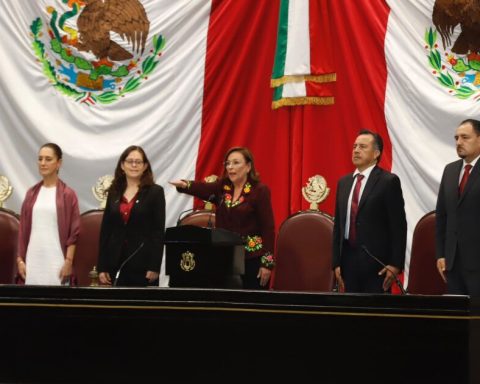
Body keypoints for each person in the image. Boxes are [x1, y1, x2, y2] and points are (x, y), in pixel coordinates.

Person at [170, 147, 275, 289]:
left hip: (251, 258)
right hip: (225, 257)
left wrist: (267, 264)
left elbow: (268, 228)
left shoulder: (260, 191)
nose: (230, 167)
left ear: (248, 166)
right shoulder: (223, 187)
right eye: (228, 163)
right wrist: (185, 185)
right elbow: (203, 188)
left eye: (236, 163)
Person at [332, 130, 407, 293]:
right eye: (355, 146)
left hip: (376, 264)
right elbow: (338, 225)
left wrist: (395, 264)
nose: (356, 150)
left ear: (376, 154)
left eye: (363, 147)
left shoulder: (388, 182)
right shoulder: (343, 183)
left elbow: (398, 226)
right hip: (348, 262)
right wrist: (336, 262)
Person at [97, 145, 165, 287]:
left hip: (143, 265)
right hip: (114, 263)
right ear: (122, 165)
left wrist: (154, 266)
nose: (134, 165)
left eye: (138, 162)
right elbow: (106, 231)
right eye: (129, 161)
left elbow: (158, 232)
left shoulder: (155, 192)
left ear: (145, 166)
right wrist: (102, 266)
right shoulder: (114, 192)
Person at [17, 143, 80, 285]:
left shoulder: (68, 195)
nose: (43, 163)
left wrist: (68, 262)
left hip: (57, 262)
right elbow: (22, 231)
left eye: (48, 159)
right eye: (40, 159)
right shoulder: (31, 194)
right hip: (33, 261)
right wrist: (20, 260)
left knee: (57, 304)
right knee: (32, 305)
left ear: (59, 163)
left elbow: (73, 233)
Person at [436, 119, 480, 297]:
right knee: (457, 321)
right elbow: (442, 217)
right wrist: (441, 254)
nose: (459, 142)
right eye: (456, 138)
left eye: (465, 137)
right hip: (452, 264)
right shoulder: (450, 170)